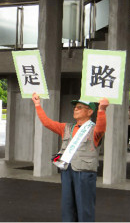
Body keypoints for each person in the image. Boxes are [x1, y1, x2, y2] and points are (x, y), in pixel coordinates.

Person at [32, 93, 109, 222]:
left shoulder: (94, 129)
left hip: (84, 172)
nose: (75, 109)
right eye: (75, 107)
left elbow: (101, 128)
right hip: (67, 170)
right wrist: (37, 105)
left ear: (89, 111)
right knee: (67, 206)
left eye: (79, 107)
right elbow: (47, 123)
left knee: (85, 207)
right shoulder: (66, 127)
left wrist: (102, 110)